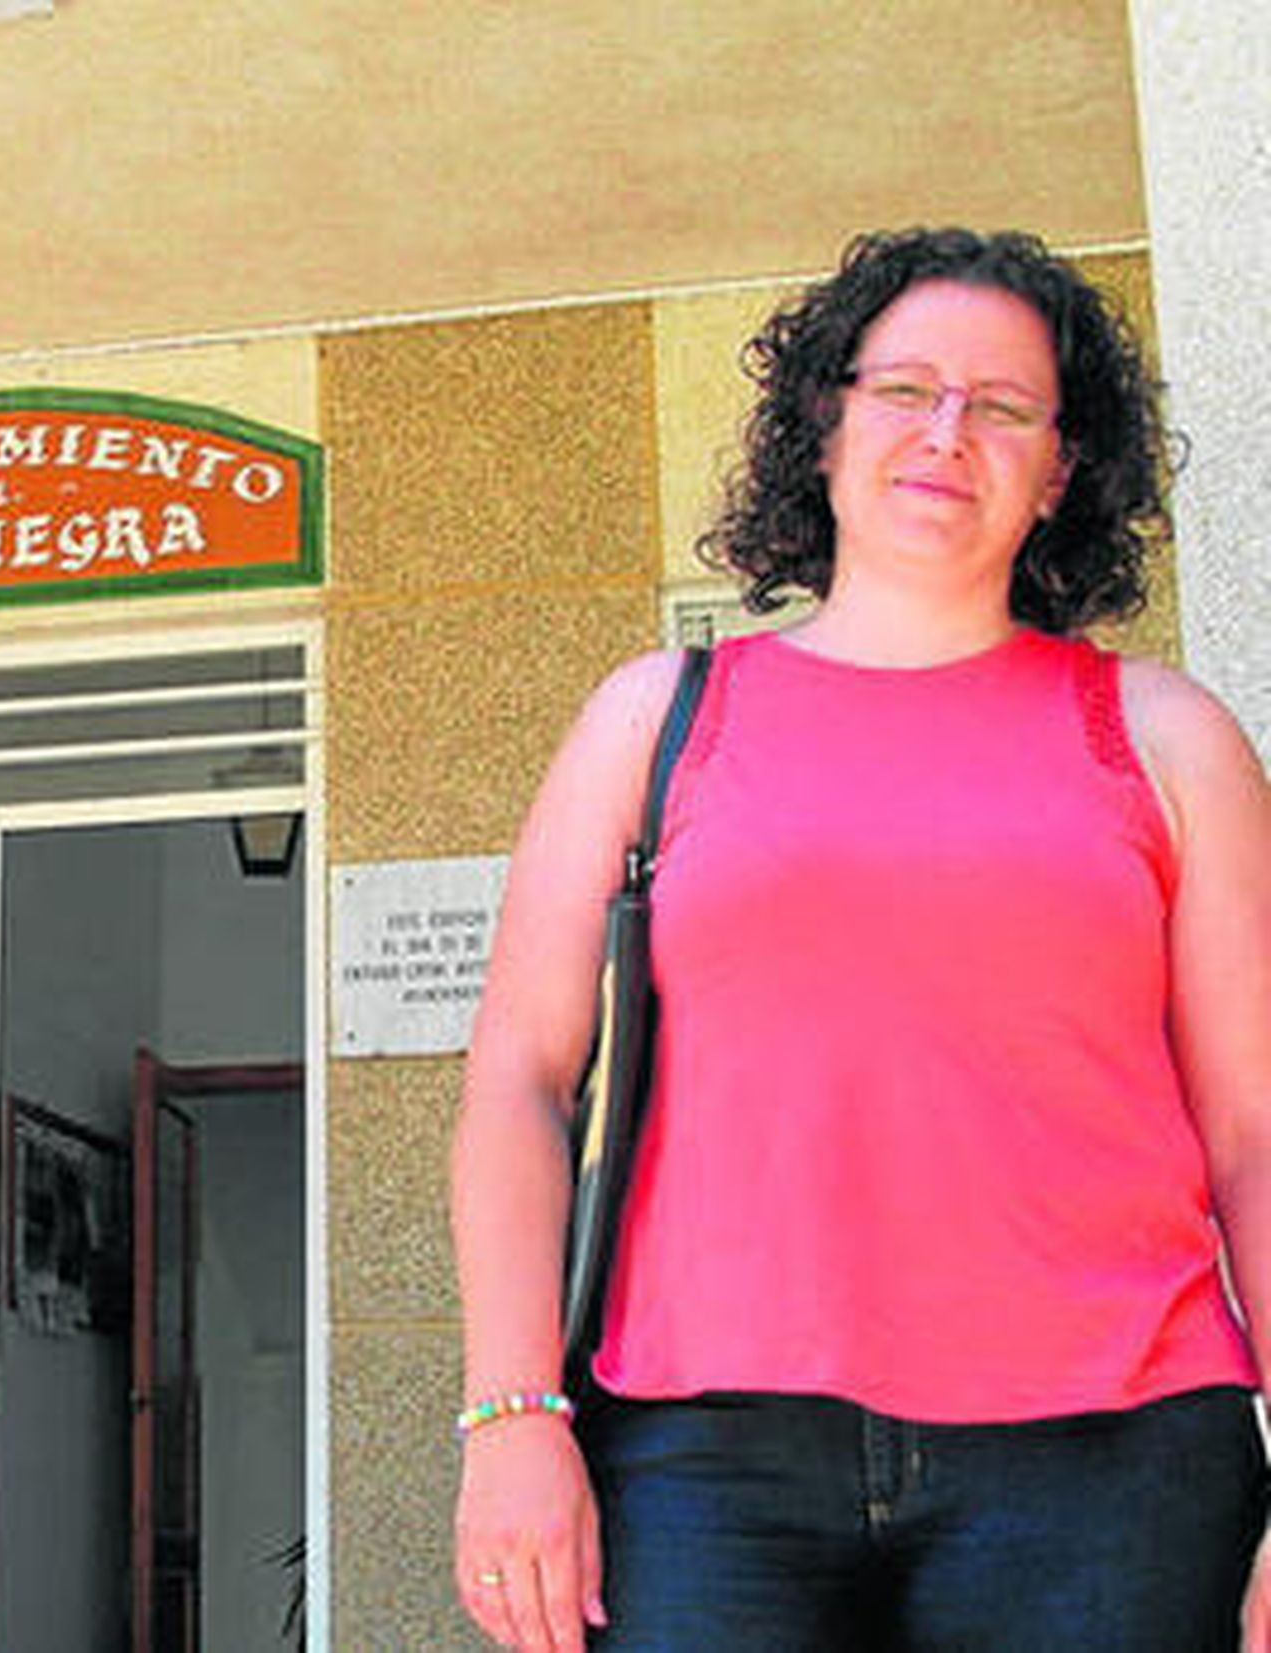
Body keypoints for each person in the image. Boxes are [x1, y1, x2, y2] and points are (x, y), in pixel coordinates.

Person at [450, 226, 1271, 1651]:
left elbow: (1257, 1129)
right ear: (825, 425)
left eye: (1005, 406)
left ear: (1062, 471)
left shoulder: (1169, 737)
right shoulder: (655, 718)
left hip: (1113, 1465)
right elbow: (519, 1077)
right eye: (905, 390)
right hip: (705, 1470)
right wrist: (511, 1413)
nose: (947, 432)